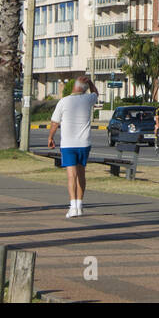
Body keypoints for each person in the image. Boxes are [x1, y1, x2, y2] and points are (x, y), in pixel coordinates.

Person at [48, 78, 99, 218]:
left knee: (72, 175)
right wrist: (91, 83)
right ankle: (80, 206)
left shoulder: (63, 101)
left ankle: (73, 207)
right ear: (84, 88)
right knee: (81, 174)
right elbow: (96, 93)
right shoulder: (88, 99)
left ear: (73, 87)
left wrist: (50, 137)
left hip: (68, 144)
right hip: (84, 143)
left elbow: (54, 122)